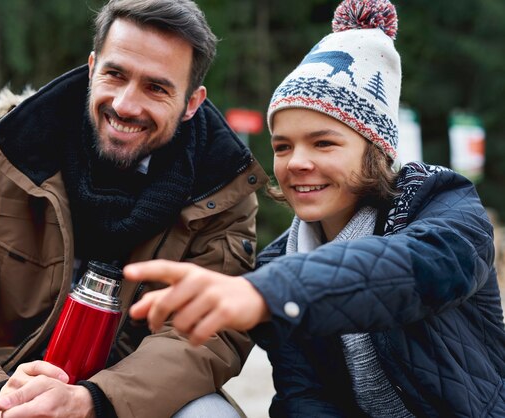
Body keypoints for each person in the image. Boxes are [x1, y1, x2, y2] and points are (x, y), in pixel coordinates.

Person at [0, 0, 269, 417]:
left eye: (156, 87)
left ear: (192, 102)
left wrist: (95, 400)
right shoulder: (6, 153)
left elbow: (210, 334)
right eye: (115, 74)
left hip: (136, 401)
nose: (125, 105)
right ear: (91, 68)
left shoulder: (222, 188)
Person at [124, 0, 505, 416]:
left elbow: (416, 268)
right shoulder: (280, 262)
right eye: (282, 147)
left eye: (323, 143)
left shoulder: (443, 201)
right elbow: (304, 395)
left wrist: (269, 292)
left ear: (376, 152)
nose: (296, 162)